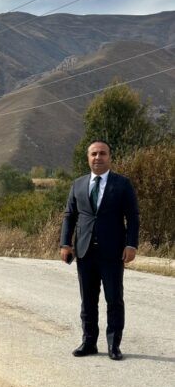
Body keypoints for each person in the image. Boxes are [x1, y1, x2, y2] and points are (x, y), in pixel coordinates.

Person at [60, 140, 139, 360]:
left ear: (109, 157)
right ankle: (89, 343)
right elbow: (69, 216)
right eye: (94, 153)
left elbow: (132, 217)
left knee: (114, 299)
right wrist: (65, 244)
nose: (98, 157)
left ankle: (114, 345)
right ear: (88, 158)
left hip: (113, 253)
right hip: (84, 253)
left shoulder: (122, 184)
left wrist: (131, 245)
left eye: (102, 153)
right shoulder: (78, 184)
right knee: (88, 301)